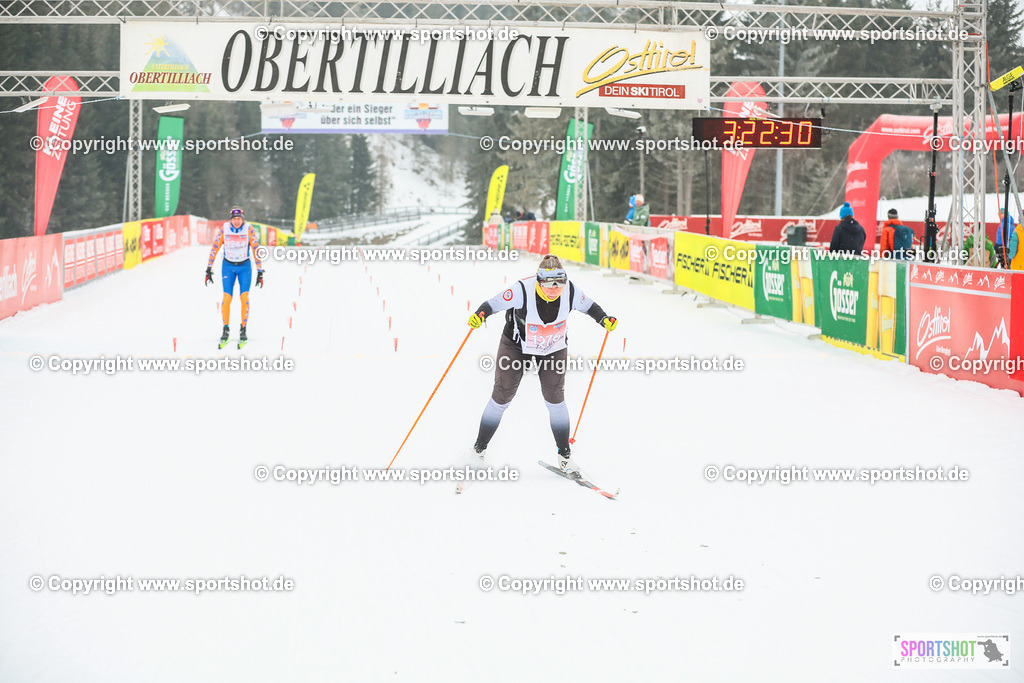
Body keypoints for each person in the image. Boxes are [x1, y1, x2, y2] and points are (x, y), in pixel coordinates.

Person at [467, 254, 617, 476]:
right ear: (539, 281)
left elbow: (590, 307)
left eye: (559, 282)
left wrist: (604, 319)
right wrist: (480, 315)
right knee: (502, 395)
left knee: (555, 398)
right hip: (516, 346)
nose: (554, 288)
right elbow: (493, 304)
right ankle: (479, 449)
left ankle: (565, 456)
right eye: (548, 283)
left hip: (552, 348)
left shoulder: (571, 291)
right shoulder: (521, 290)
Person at [205, 206, 264, 347]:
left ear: (243, 219)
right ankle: (225, 329)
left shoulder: (248, 229)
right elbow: (215, 248)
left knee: (244, 298)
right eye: (234, 219)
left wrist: (260, 271)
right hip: (228, 267)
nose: (236, 222)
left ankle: (243, 329)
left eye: (239, 219)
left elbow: (256, 249)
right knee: (227, 298)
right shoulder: (224, 229)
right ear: (230, 220)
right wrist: (209, 268)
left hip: (244, 267)